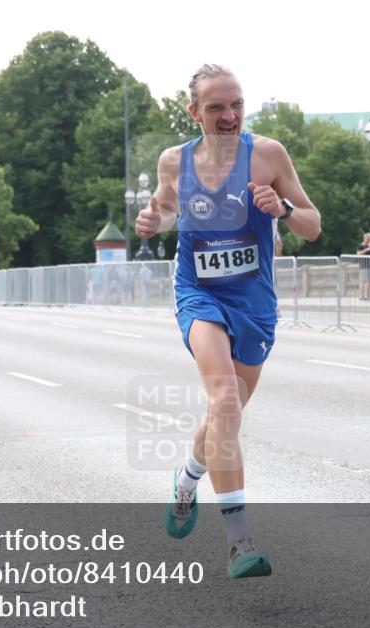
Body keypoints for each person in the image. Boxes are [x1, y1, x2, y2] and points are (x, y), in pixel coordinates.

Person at [136, 64, 321, 579]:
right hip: (199, 293)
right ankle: (240, 542)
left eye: (236, 103)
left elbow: (312, 225)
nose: (229, 115)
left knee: (227, 413)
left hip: (253, 302)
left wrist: (282, 207)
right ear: (195, 112)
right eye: (216, 106)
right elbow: (166, 209)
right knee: (222, 399)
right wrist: (153, 220)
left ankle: (187, 480)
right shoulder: (174, 160)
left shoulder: (268, 155)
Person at [357, 233, 370, 299]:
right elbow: (358, 254)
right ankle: (362, 295)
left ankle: (367, 295)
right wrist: (366, 250)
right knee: (363, 281)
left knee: (369, 280)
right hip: (364, 265)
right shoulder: (361, 246)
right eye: (369, 239)